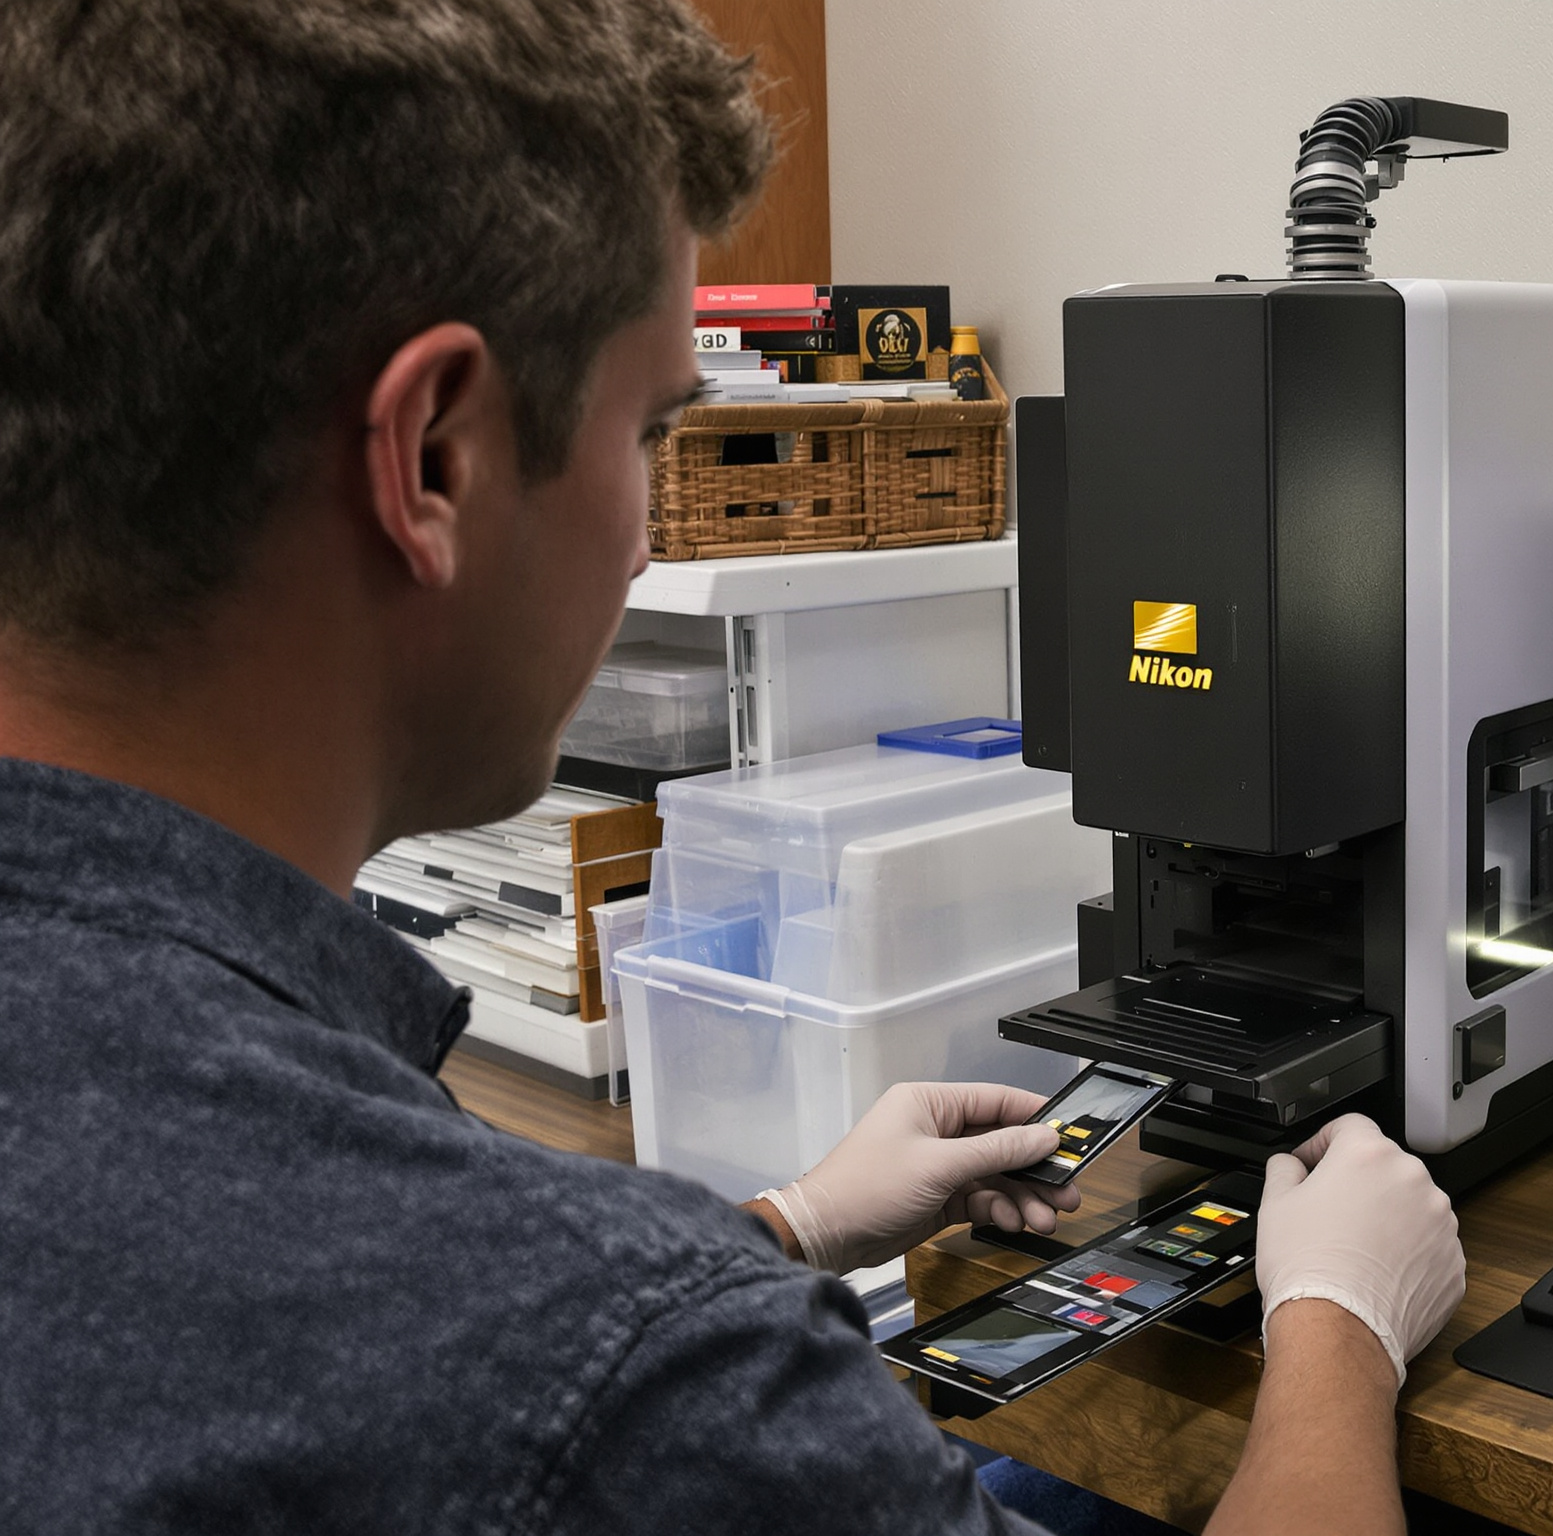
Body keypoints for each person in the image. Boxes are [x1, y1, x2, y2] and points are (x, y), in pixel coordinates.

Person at [0, 6, 1462, 1532]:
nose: (651, 532)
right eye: (655, 435)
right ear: (434, 457)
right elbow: (552, 1367)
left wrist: (788, 1222)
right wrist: (1342, 1328)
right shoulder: (633, 1369)